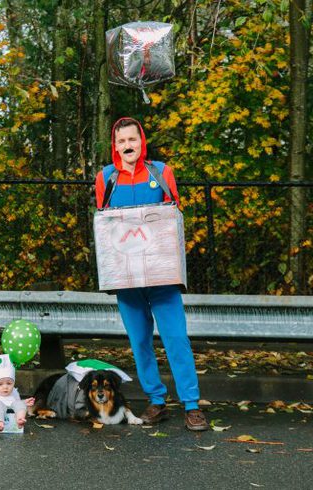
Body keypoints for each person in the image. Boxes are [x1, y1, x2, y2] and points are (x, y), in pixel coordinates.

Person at [94, 117, 209, 431]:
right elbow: (104, 225)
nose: (128, 146)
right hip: (127, 280)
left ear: (141, 141)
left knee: (176, 339)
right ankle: (157, 400)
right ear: (114, 146)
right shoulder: (106, 178)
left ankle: (192, 405)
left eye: (133, 139)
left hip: (161, 277)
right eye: (121, 142)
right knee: (140, 341)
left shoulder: (161, 172)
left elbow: (173, 219)